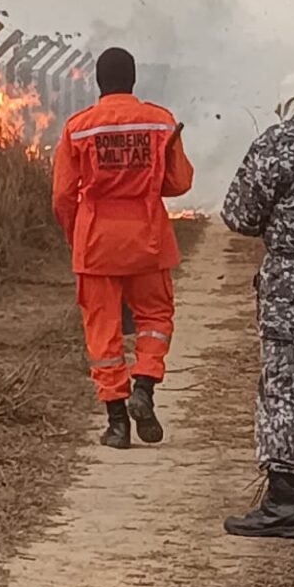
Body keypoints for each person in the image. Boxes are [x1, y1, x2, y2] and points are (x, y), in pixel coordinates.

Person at [52, 47, 195, 449]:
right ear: (134, 80)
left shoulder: (79, 127)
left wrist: (74, 235)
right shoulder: (161, 122)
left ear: (98, 83)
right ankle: (145, 386)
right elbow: (179, 183)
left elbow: (63, 195)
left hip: (96, 240)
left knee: (103, 331)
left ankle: (117, 425)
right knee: (154, 317)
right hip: (148, 238)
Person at [220, 71, 294, 539]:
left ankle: (285, 501)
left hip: (293, 293)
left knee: (286, 389)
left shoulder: (279, 144)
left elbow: (239, 214)